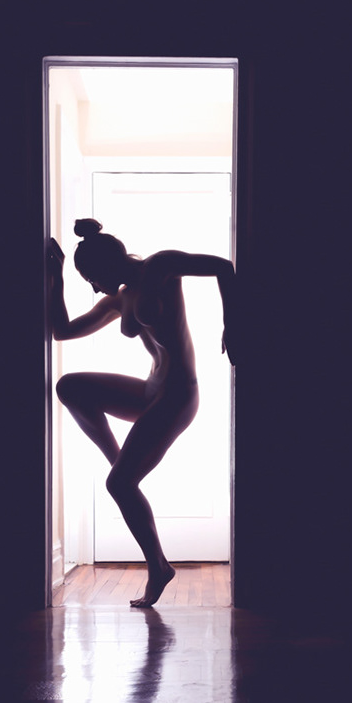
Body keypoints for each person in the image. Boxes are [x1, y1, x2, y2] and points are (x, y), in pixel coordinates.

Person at [46, 219, 235, 607]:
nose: (94, 287)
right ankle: (119, 463)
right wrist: (56, 278)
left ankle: (158, 568)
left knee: (118, 486)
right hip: (151, 391)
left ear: (107, 264)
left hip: (178, 396)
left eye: (91, 278)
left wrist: (234, 321)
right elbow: (61, 331)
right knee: (69, 387)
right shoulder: (118, 300)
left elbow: (223, 266)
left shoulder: (160, 265)